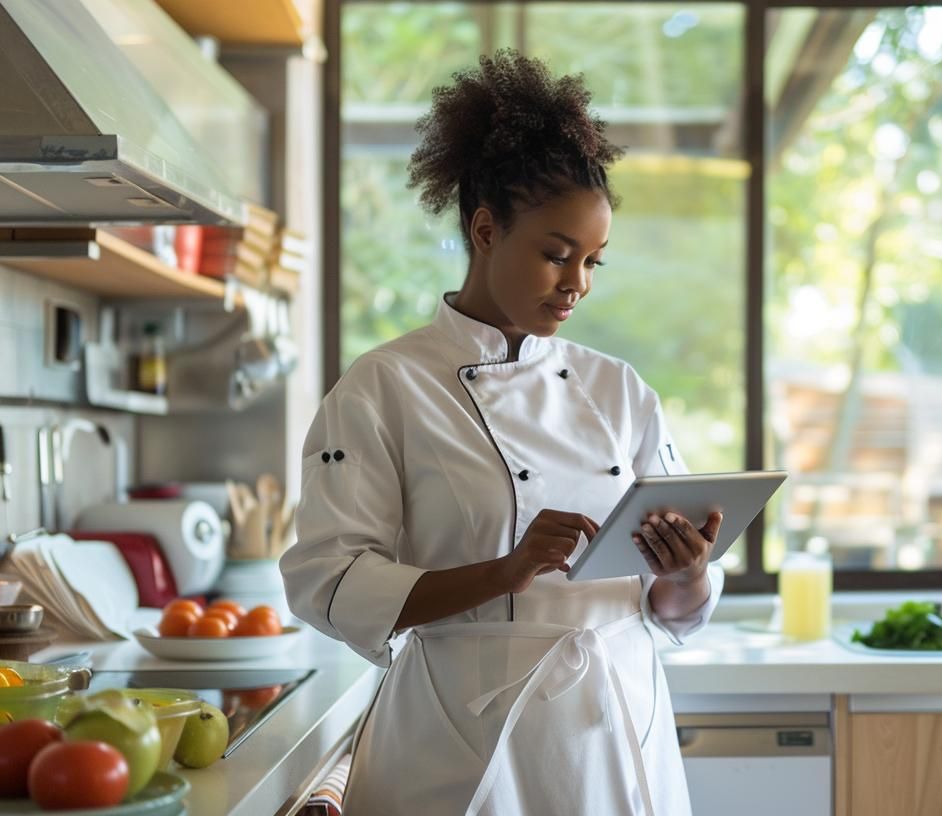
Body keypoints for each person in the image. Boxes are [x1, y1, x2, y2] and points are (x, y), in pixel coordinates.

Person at [281, 49, 724, 815]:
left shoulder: (619, 390)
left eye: (592, 261)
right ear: (486, 230)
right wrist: (506, 570)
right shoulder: (385, 387)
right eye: (556, 254)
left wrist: (686, 573)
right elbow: (325, 581)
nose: (576, 282)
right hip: (463, 740)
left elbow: (671, 608)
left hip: (613, 733)